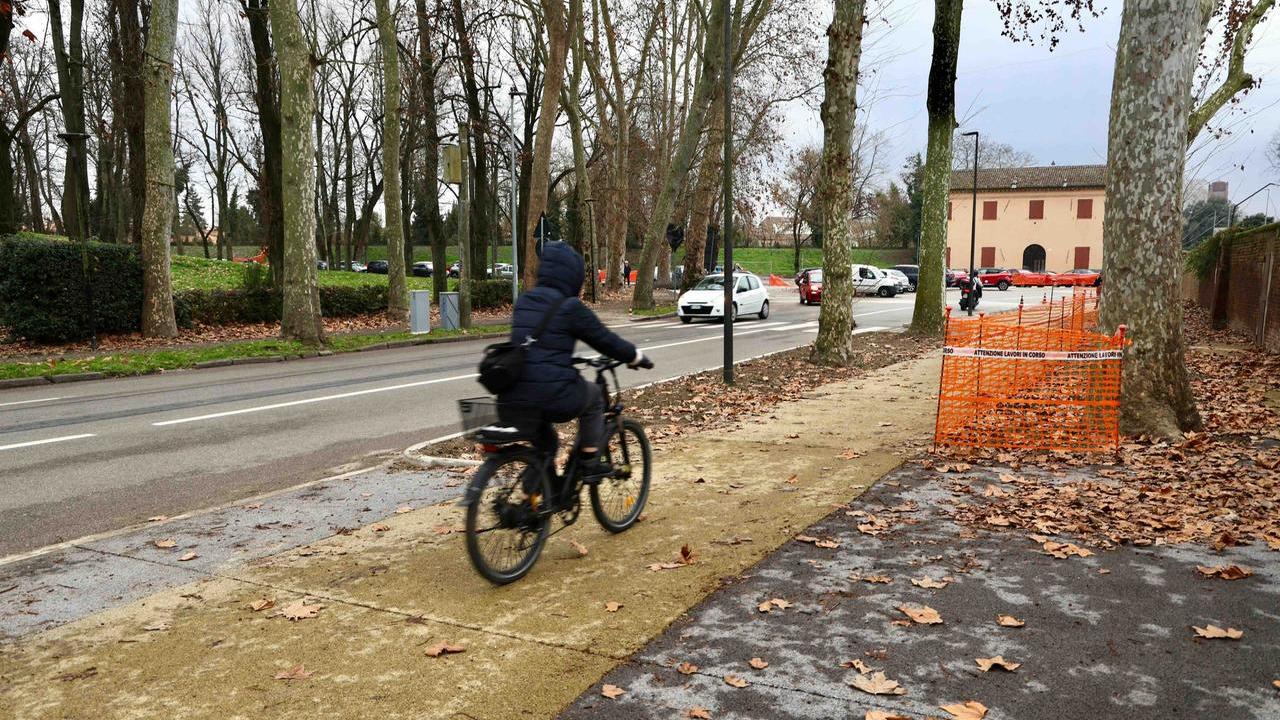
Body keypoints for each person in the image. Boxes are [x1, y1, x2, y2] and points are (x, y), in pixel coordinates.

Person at [501, 242, 651, 479]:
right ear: (572, 276)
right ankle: (590, 460)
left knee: (547, 444)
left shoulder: (525, 300)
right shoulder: (570, 307)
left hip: (513, 394)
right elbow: (605, 340)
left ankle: (536, 500)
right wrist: (635, 356)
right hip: (551, 394)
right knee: (592, 398)